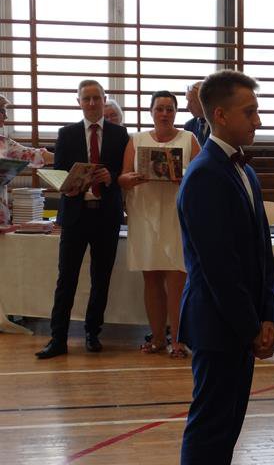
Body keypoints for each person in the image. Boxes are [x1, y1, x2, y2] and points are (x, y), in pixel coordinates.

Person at [177, 69, 274, 465]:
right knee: (209, 425)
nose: (257, 120)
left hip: (240, 322)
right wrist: (249, 326)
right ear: (219, 115)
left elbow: (261, 251)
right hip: (218, 324)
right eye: (249, 111)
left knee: (229, 422)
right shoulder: (204, 176)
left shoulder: (243, 171)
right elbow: (220, 268)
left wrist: (269, 314)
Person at [35, 80, 129, 359]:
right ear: (78, 102)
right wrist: (68, 185)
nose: (91, 103)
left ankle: (92, 333)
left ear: (104, 99)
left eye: (96, 98)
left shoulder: (120, 134)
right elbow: (59, 172)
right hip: (75, 215)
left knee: (101, 278)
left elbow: (125, 173)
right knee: (67, 278)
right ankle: (58, 338)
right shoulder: (67, 133)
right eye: (86, 98)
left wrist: (111, 177)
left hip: (106, 215)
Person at [118, 91, 200, 357]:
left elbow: (202, 178)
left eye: (169, 109)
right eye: (160, 108)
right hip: (145, 214)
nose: (164, 114)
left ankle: (178, 340)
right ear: (151, 112)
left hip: (176, 216)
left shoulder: (189, 139)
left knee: (177, 280)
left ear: (176, 112)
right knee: (151, 279)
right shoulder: (136, 140)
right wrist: (132, 179)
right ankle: (157, 338)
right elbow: (122, 178)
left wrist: (184, 178)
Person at [0, 93, 53, 226]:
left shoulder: (4, 143)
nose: (6, 116)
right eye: (2, 111)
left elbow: (35, 155)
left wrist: (68, 158)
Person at [184, 80, 210, 146]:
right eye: (187, 101)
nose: (187, 107)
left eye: (191, 101)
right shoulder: (189, 126)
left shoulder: (220, 125)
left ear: (203, 101)